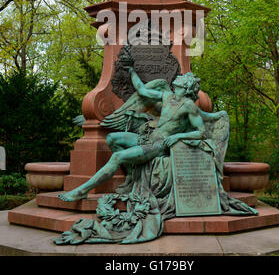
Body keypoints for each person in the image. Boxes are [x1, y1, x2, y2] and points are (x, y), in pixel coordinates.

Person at [58, 69, 205, 202]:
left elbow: (201, 132)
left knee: (116, 157)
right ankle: (131, 175)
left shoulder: (189, 106)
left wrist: (177, 137)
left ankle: (82, 191)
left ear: (186, 88)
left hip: (158, 145)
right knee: (112, 139)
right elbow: (142, 90)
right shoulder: (168, 96)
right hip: (149, 136)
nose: (176, 83)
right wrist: (131, 71)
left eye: (180, 83)